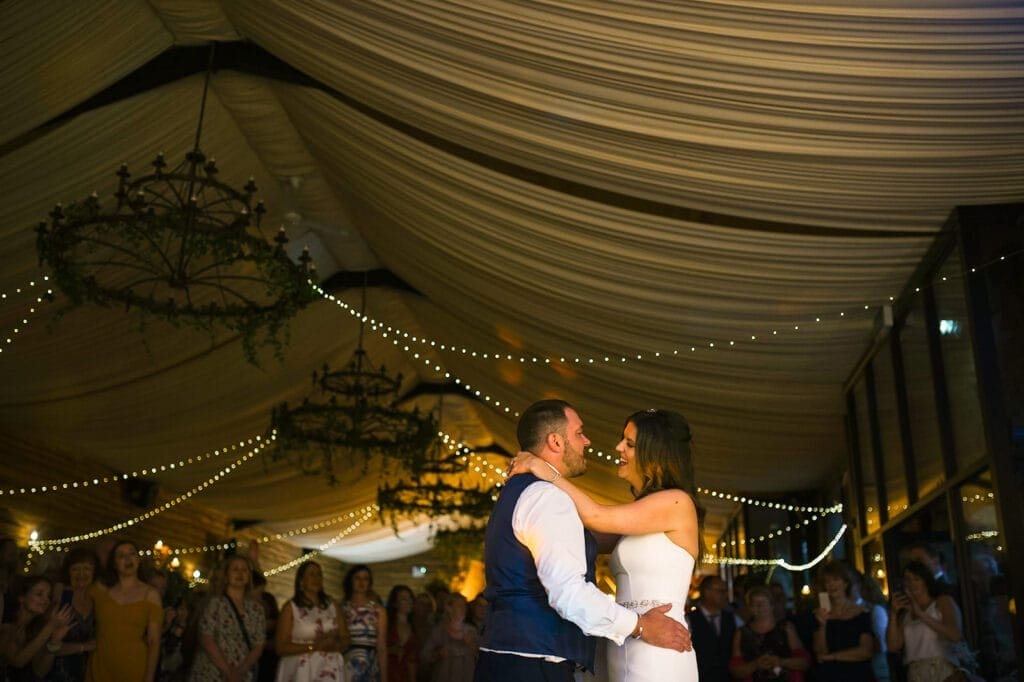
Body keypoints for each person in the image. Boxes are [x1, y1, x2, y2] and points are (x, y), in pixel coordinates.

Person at [487, 400, 692, 682]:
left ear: (653, 452)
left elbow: (596, 515)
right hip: (626, 638)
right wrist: (638, 627)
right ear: (556, 442)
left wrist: (545, 470)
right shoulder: (547, 498)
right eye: (580, 433)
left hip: (660, 639)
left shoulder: (676, 501)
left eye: (629, 443)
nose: (617, 447)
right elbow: (585, 536)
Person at [87, 539, 163, 682]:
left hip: (133, 667)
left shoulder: (150, 594)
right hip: (100, 666)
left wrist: (149, 678)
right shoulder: (102, 591)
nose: (128, 559)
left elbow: (154, 641)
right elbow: (75, 587)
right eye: (121, 555)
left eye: (132, 554)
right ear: (114, 564)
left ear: (138, 559)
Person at [188, 555, 265, 681]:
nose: (240, 573)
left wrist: (240, 671)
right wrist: (228, 671)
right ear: (226, 575)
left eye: (244, 570)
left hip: (242, 673)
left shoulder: (256, 610)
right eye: (235, 569)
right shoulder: (215, 604)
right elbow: (206, 638)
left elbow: (258, 645)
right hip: (212, 671)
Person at [886, 560, 964, 682]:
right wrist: (893, 614)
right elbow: (893, 646)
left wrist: (922, 615)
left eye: (916, 579)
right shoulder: (907, 614)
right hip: (916, 673)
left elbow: (955, 635)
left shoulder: (942, 602)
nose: (911, 584)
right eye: (907, 579)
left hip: (942, 670)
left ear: (926, 581)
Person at [275, 560, 348, 681]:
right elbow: (281, 647)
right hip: (302, 668)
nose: (316, 578)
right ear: (301, 580)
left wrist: (335, 644)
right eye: (312, 574)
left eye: (319, 574)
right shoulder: (291, 608)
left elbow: (345, 637)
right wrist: (313, 647)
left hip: (329, 667)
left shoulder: (332, 605)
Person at [0, 576, 74, 681]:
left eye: (49, 596)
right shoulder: (6, 625)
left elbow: (39, 672)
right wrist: (51, 625)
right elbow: (18, 661)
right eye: (39, 594)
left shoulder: (36, 630)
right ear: (22, 597)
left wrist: (55, 641)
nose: (46, 600)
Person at [729, 585, 809, 681]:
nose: (759, 608)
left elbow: (804, 662)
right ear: (749, 607)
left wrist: (781, 662)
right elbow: (735, 670)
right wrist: (755, 664)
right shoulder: (742, 633)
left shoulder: (786, 628)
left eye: (763, 603)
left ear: (772, 605)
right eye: (755, 604)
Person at [812, 561, 874, 681]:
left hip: (858, 675)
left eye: (835, 579)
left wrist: (833, 657)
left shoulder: (861, 613)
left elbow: (866, 651)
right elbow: (820, 653)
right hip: (831, 676)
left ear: (845, 583)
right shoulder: (820, 615)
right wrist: (822, 625)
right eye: (827, 581)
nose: (831, 585)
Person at [49, 547, 100, 682]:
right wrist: (84, 647)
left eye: (87, 568)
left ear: (94, 572)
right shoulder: (62, 597)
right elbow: (49, 645)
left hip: (86, 673)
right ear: (68, 572)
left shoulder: (95, 599)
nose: (81, 573)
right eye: (75, 568)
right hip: (59, 672)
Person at [342, 564, 388, 682]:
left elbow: (381, 646)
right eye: (357, 578)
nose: (361, 582)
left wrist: (384, 677)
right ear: (351, 581)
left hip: (370, 663)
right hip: (346, 663)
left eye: (365, 578)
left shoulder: (377, 611)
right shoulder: (342, 609)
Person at [690, 575, 740, 681]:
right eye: (721, 591)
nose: (725, 595)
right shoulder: (690, 619)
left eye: (725, 591)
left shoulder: (731, 618)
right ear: (707, 592)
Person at [422, 593, 478, 682]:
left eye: (464, 606)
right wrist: (438, 654)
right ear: (449, 608)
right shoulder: (439, 631)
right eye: (459, 606)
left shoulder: (471, 631)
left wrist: (471, 644)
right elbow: (425, 656)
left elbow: (480, 657)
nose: (463, 609)